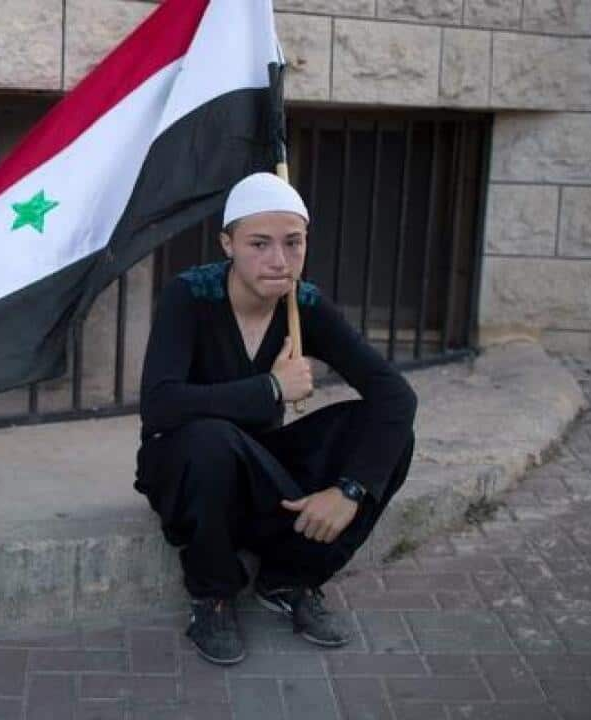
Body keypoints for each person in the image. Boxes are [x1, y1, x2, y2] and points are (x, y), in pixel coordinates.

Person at [135, 172, 417, 666]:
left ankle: (290, 578)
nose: (278, 260)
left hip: (260, 469)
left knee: (387, 433)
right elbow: (161, 405)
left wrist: (351, 489)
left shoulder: (303, 304)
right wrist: (270, 388)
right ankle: (213, 595)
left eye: (293, 243)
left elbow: (395, 395)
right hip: (187, 473)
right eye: (259, 244)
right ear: (228, 243)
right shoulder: (190, 295)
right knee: (210, 439)